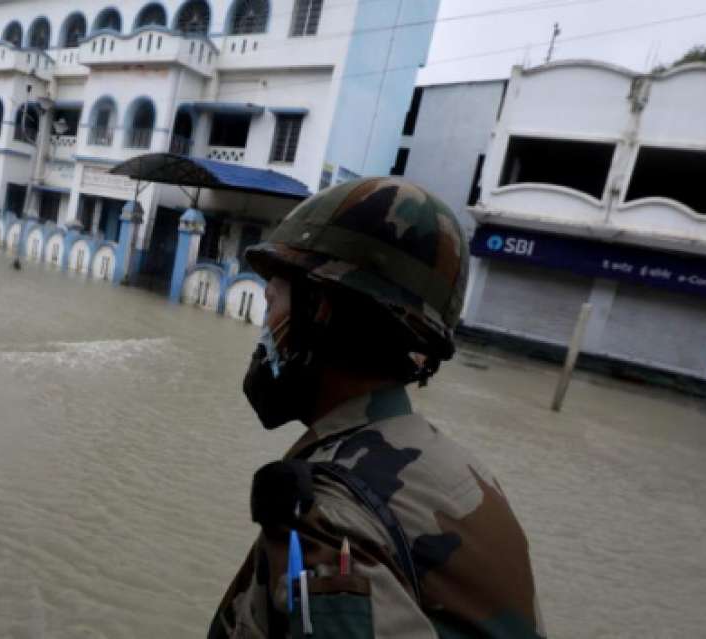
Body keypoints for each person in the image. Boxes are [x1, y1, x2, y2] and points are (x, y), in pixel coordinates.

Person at [209, 177, 542, 638]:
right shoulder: (466, 476)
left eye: (272, 303)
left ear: (318, 306)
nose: (265, 328)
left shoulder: (327, 521)